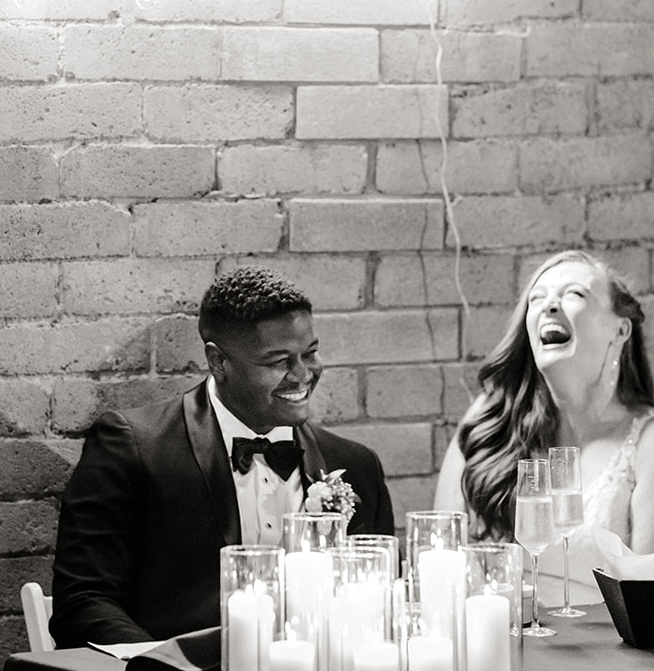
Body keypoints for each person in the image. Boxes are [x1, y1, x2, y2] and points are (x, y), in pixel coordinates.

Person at [51, 267, 396, 647]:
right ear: (218, 362)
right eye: (277, 361)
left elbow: (379, 603)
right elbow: (83, 603)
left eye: (310, 353)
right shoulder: (132, 448)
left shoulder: (357, 465)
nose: (302, 374)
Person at [434, 250, 654, 604]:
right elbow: (439, 554)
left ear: (620, 328)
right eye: (537, 298)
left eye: (574, 294)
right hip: (493, 645)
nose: (549, 305)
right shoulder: (488, 422)